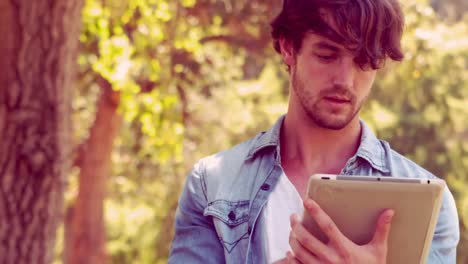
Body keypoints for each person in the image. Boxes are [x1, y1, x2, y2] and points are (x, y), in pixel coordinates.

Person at [168, 0, 460, 263]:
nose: (345, 81)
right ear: (287, 48)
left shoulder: (430, 204)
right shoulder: (211, 184)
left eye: (363, 62)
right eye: (327, 55)